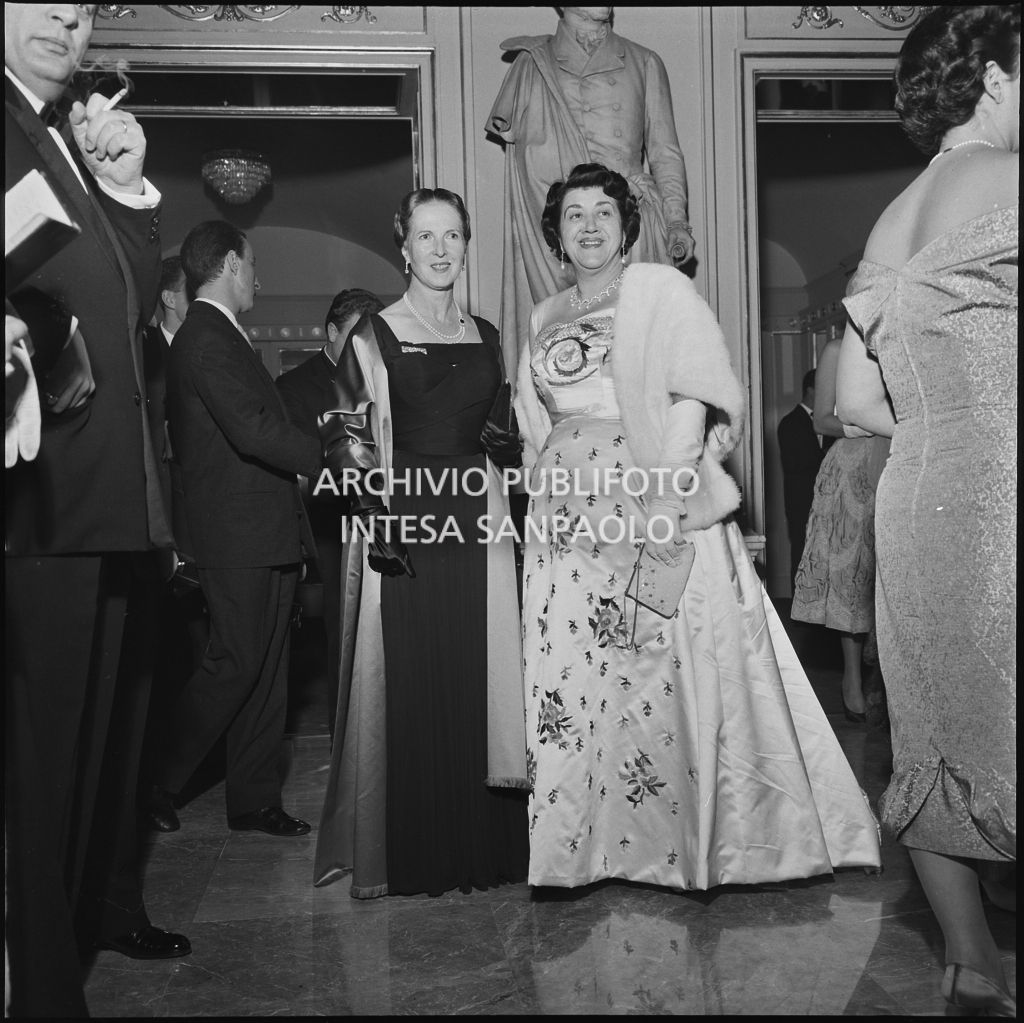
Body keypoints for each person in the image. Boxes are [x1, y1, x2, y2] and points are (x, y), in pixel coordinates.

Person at [514, 162, 881, 893]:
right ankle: (585, 849)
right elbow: (533, 420)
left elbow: (694, 397)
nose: (588, 225)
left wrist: (662, 504)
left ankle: (674, 847)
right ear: (556, 233)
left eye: (603, 213)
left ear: (628, 227)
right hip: (564, 523)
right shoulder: (540, 314)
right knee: (577, 680)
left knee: (660, 673)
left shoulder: (661, 293)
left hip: (651, 501)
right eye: (573, 214)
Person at [5, 4, 190, 1014]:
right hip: (41, 501)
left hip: (105, 498)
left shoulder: (55, 130)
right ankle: (41, 991)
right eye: (39, 0)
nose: (65, 19)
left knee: (92, 761)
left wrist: (119, 182)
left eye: (79, 8)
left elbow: (122, 297)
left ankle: (60, 962)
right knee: (45, 769)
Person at [836, 6, 1017, 1015]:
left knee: (938, 729)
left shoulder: (889, 217)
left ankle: (970, 963)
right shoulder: (1008, 180)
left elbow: (851, 403)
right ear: (993, 75)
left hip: (916, 500)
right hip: (1006, 483)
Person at [313, 187, 529, 897]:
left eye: (454, 236)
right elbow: (343, 434)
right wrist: (376, 520)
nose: (441, 250)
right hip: (407, 521)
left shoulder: (491, 334)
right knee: (412, 674)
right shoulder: (374, 332)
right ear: (403, 245)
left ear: (467, 245)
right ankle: (420, 851)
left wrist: (511, 448)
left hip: (481, 518)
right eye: (427, 236)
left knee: (481, 674)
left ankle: (490, 846)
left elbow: (504, 426)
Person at [150, 220, 321, 838]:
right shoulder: (204, 337)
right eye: (251, 266)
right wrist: (321, 451)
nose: (258, 278)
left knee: (267, 670)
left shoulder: (220, 334)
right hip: (236, 535)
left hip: (261, 530)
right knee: (236, 663)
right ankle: (155, 778)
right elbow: (252, 428)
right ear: (227, 265)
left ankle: (253, 799)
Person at [487, 5, 693, 375]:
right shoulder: (533, 64)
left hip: (633, 227)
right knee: (557, 356)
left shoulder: (644, 61)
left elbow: (664, 151)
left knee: (644, 359)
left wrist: (677, 220)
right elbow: (524, 164)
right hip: (555, 235)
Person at [276, 288, 384, 742]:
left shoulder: (383, 379)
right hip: (330, 524)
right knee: (344, 632)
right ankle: (348, 737)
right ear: (333, 332)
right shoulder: (293, 387)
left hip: (385, 517)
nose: (367, 345)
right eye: (358, 334)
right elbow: (302, 469)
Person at [790, 337, 890, 721]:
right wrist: (870, 428)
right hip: (852, 467)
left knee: (890, 578)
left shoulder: (895, 335)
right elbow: (821, 420)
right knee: (852, 577)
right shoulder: (835, 350)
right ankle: (852, 678)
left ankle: (886, 681)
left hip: (900, 460)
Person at [776, 369, 828, 593]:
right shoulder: (789, 423)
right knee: (801, 553)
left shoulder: (829, 424)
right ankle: (798, 609)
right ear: (811, 390)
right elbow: (795, 465)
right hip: (801, 503)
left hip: (827, 504)